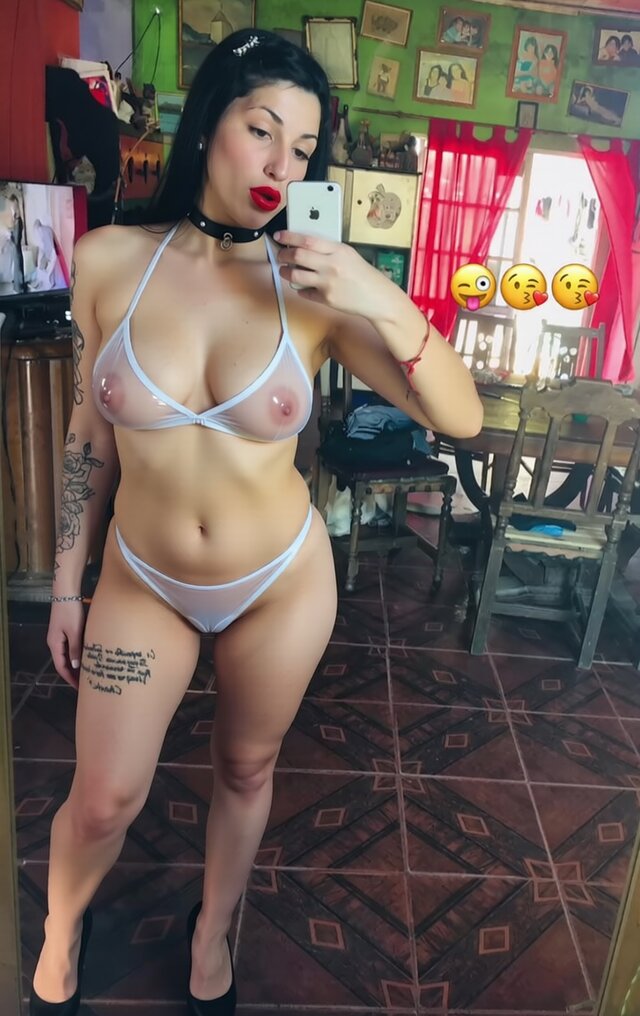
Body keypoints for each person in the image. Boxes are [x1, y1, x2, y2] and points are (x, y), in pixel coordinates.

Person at [30, 28, 482, 1016]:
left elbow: (461, 416)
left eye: (304, 148)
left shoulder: (314, 291)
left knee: (245, 767)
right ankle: (62, 929)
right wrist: (67, 583)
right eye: (262, 129)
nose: (283, 164)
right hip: (143, 576)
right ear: (209, 126)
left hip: (277, 581)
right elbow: (88, 436)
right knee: (103, 797)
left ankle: (213, 932)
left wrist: (373, 290)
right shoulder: (108, 260)